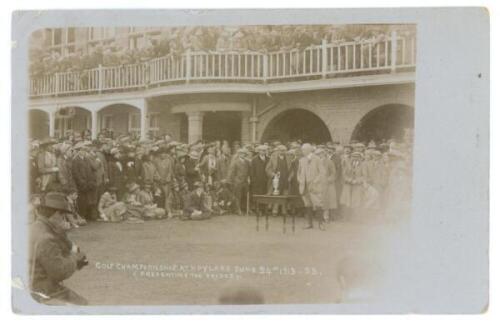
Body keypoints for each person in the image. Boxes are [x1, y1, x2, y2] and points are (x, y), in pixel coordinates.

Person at [29, 192, 88, 305]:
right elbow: (59, 272)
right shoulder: (46, 238)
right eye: (63, 215)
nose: (64, 219)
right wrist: (75, 259)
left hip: (31, 283)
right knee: (82, 305)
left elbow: (64, 247)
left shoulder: (37, 226)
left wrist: (62, 233)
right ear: (56, 214)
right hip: (39, 289)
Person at [297, 143, 326, 230]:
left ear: (309, 150)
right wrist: (300, 180)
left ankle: (321, 224)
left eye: (304, 149)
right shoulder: (301, 160)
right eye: (302, 149)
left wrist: (315, 181)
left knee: (318, 205)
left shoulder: (317, 159)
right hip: (304, 187)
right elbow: (298, 172)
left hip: (314, 187)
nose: (302, 151)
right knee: (307, 205)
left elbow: (322, 173)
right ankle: (309, 223)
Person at [227, 148, 250, 215]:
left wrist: (249, 178)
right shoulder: (235, 162)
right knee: (238, 196)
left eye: (244, 154)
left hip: (245, 181)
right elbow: (231, 172)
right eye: (242, 153)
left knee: (245, 195)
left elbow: (248, 171)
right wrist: (231, 181)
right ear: (239, 154)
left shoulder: (247, 162)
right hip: (237, 181)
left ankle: (246, 209)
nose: (243, 155)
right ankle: (238, 209)